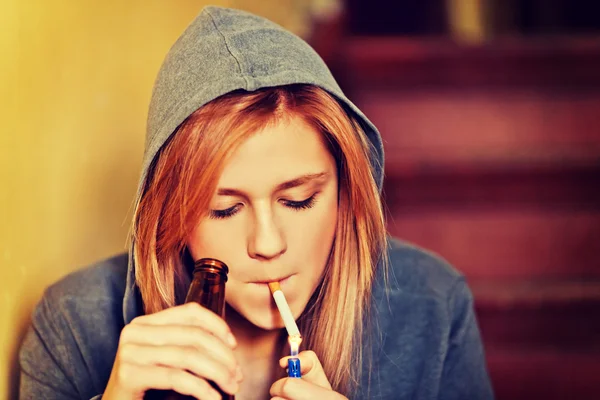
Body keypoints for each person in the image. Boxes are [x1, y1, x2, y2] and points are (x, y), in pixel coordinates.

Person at [19, 6, 494, 400]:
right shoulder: (74, 326)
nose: (267, 244)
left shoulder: (432, 305)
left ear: (346, 192)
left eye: (299, 200)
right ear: (170, 214)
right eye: (223, 209)